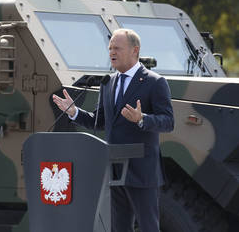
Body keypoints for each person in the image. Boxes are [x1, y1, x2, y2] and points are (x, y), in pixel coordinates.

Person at [52, 29, 174, 232]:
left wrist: (142, 119)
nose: (111, 52)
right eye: (110, 48)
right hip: (115, 169)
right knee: (119, 228)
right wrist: (74, 112)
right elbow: (99, 121)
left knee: (148, 227)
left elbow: (168, 122)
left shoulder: (155, 82)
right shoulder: (108, 83)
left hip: (141, 171)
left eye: (117, 48)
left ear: (135, 51)